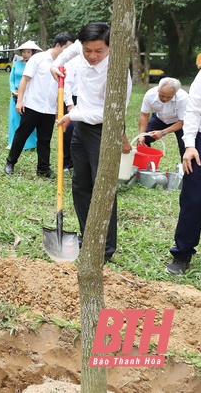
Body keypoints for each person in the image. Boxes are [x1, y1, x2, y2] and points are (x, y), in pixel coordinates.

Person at [53, 22, 132, 262]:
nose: (92, 56)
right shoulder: (82, 48)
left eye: (98, 51)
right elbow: (67, 53)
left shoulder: (117, 72)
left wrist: (72, 115)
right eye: (88, 50)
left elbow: (112, 114)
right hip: (81, 130)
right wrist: (55, 66)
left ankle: (105, 248)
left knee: (103, 190)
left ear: (110, 47)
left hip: (104, 133)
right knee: (80, 185)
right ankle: (87, 236)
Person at [5, 33, 74, 177]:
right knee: (21, 135)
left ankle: (43, 168)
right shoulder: (38, 58)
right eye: (67, 48)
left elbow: (61, 88)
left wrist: (57, 108)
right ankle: (10, 162)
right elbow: (24, 80)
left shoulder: (65, 65)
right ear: (57, 45)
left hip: (48, 108)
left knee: (45, 139)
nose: (69, 52)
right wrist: (20, 101)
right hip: (32, 105)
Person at [166, 68, 201, 274]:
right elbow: (194, 109)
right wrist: (189, 145)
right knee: (193, 199)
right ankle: (183, 253)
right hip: (200, 141)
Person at [137, 77, 188, 159]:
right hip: (159, 118)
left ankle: (185, 169)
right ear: (158, 90)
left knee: (186, 145)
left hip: (178, 122)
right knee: (143, 139)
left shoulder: (184, 98)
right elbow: (144, 115)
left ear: (175, 93)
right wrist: (141, 135)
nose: (165, 99)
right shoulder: (150, 95)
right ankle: (146, 166)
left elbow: (183, 121)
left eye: (169, 97)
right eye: (162, 95)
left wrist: (163, 132)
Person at [7, 40, 41, 151]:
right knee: (14, 119)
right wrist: (13, 91)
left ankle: (30, 143)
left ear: (32, 53)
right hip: (15, 96)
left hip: (29, 96)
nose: (25, 54)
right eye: (24, 52)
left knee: (29, 120)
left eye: (28, 52)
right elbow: (11, 79)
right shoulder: (16, 64)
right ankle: (13, 142)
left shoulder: (35, 65)